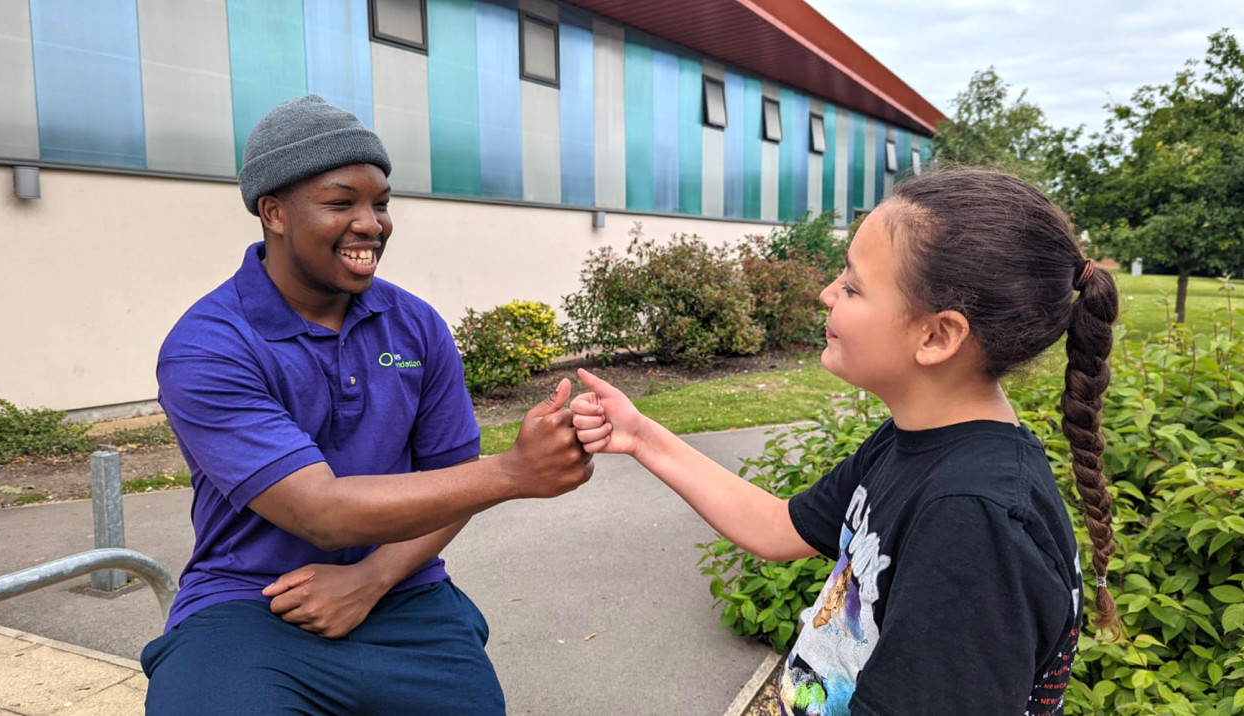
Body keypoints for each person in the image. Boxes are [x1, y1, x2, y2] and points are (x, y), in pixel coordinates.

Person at [571, 167, 1121, 715]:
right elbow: (778, 526)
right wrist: (641, 435)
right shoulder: (915, 442)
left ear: (937, 335)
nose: (826, 293)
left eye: (853, 286)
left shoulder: (972, 519)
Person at [140, 95, 593, 715]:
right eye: (340, 202)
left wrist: (369, 579)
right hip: (250, 602)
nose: (371, 223)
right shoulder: (209, 346)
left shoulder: (415, 326)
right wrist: (514, 472)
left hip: (404, 592)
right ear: (273, 211)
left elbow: (450, 481)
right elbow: (320, 512)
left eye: (380, 202)